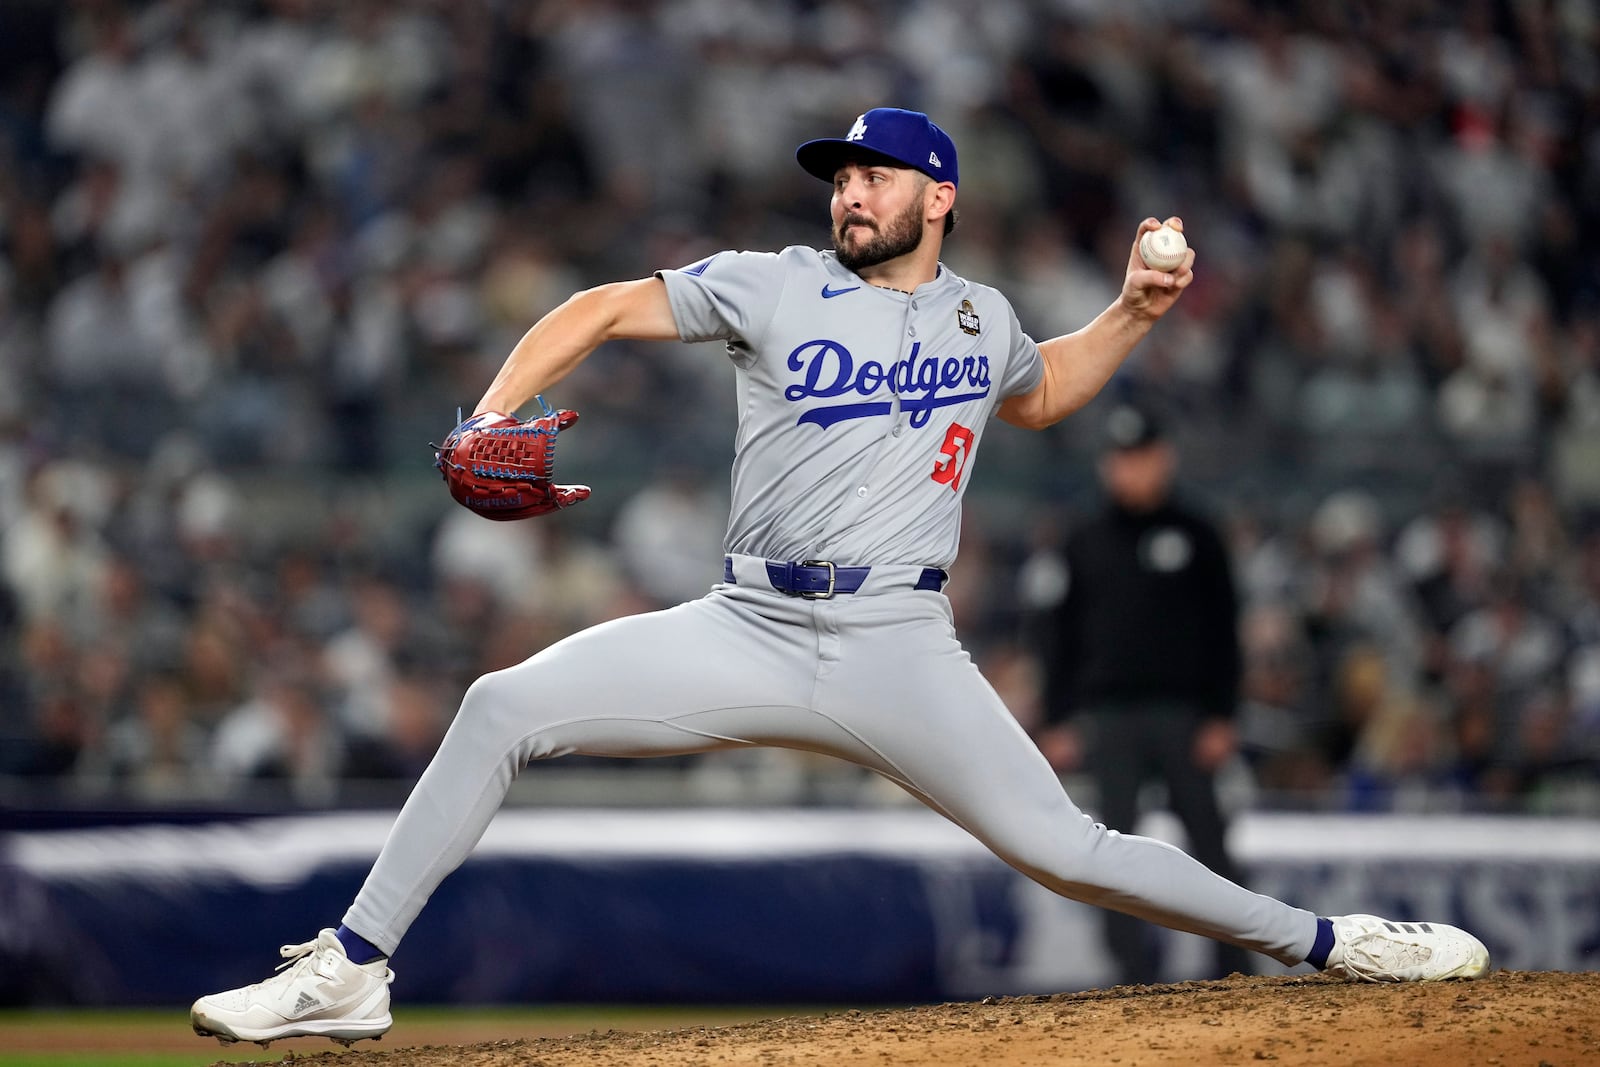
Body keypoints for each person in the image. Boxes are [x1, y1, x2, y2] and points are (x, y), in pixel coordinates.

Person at [191, 108, 1489, 1048]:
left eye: (877, 174)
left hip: (897, 638)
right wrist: (489, 408)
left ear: (941, 198)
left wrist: (1138, 310)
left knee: (1070, 849)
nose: (849, 192)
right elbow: (593, 310)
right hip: (746, 618)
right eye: (842, 175)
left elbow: (1042, 395)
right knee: (498, 704)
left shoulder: (981, 317)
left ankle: (1332, 941)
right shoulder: (772, 285)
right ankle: (352, 966)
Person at [1034, 401, 1252, 984]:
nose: (1128, 470)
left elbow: (1224, 630)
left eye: (1139, 458)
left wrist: (1223, 714)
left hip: (1184, 715)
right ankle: (1129, 976)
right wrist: (1057, 719)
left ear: (1164, 459)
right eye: (1118, 459)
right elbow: (1058, 636)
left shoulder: (1198, 533)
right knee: (1109, 850)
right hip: (1109, 718)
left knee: (1210, 841)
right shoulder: (1084, 539)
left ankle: (1236, 968)